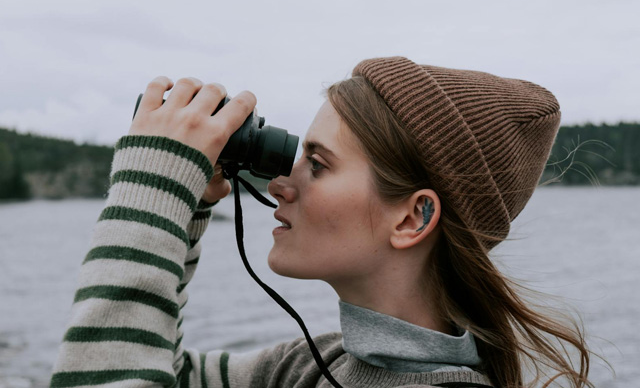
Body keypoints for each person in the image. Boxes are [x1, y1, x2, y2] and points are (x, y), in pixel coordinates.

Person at [51, 56, 593, 387]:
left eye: (318, 163)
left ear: (413, 217)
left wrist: (153, 188)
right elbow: (163, 374)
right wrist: (187, 209)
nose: (282, 184)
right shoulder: (314, 366)